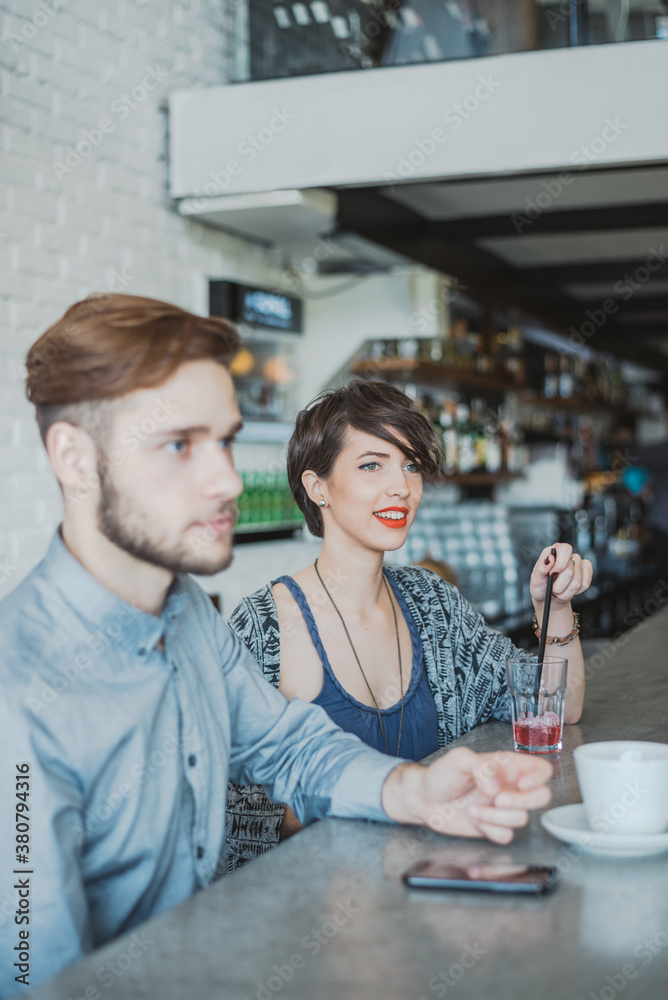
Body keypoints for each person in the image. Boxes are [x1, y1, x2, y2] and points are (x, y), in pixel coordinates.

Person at [0, 295, 553, 997]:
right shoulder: (17, 694)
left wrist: (418, 791)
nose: (228, 480)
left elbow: (289, 745)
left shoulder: (189, 618)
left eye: (225, 441)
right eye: (179, 444)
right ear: (76, 459)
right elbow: (31, 975)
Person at [226, 380, 592, 868]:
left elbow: (556, 709)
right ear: (317, 488)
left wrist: (555, 605)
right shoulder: (265, 626)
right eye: (372, 464)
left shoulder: (431, 601)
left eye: (411, 465)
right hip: (310, 909)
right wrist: (400, 798)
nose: (401, 486)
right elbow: (234, 816)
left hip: (435, 885)